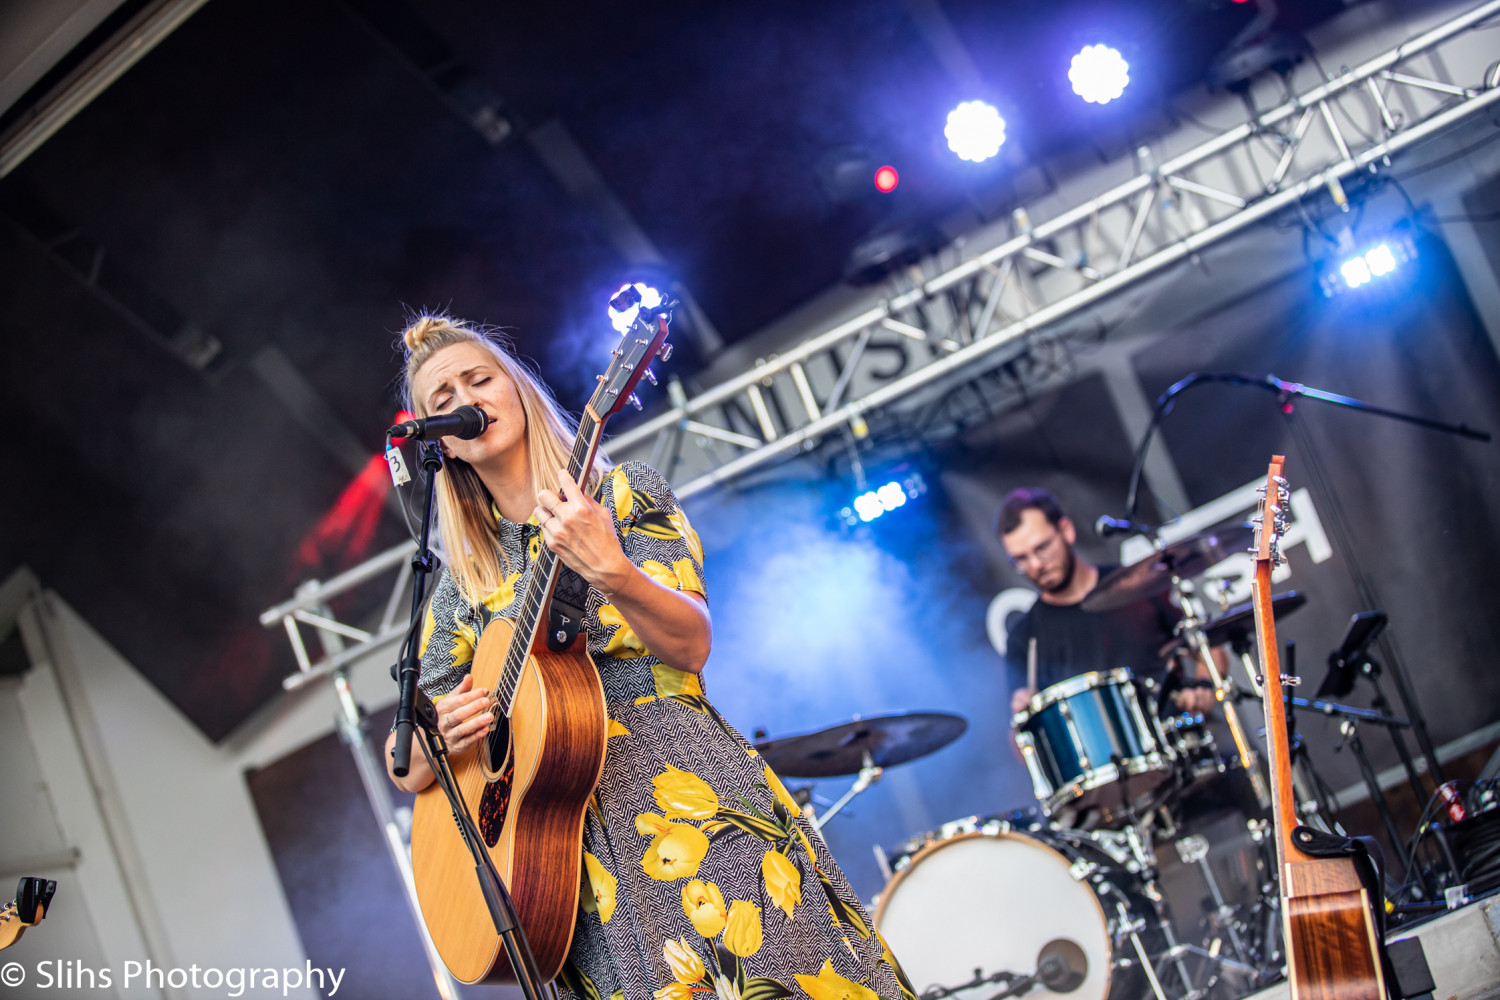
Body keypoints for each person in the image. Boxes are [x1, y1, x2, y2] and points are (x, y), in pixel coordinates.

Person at [383, 314, 914, 1000]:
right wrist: (446, 736)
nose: (464, 399)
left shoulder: (623, 495)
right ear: (441, 445)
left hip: (688, 799)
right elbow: (408, 766)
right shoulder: (464, 585)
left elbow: (691, 644)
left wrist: (613, 571)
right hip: (566, 869)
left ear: (516, 392)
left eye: (478, 379)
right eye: (442, 398)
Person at [998, 488, 1217, 717]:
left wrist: (1204, 685)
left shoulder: (1138, 584)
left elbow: (1209, 645)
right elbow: (1020, 740)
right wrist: (1026, 716)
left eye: (1042, 548)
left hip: (1181, 737)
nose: (1035, 565)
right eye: (1021, 559)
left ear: (1066, 531)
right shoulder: (1024, 638)